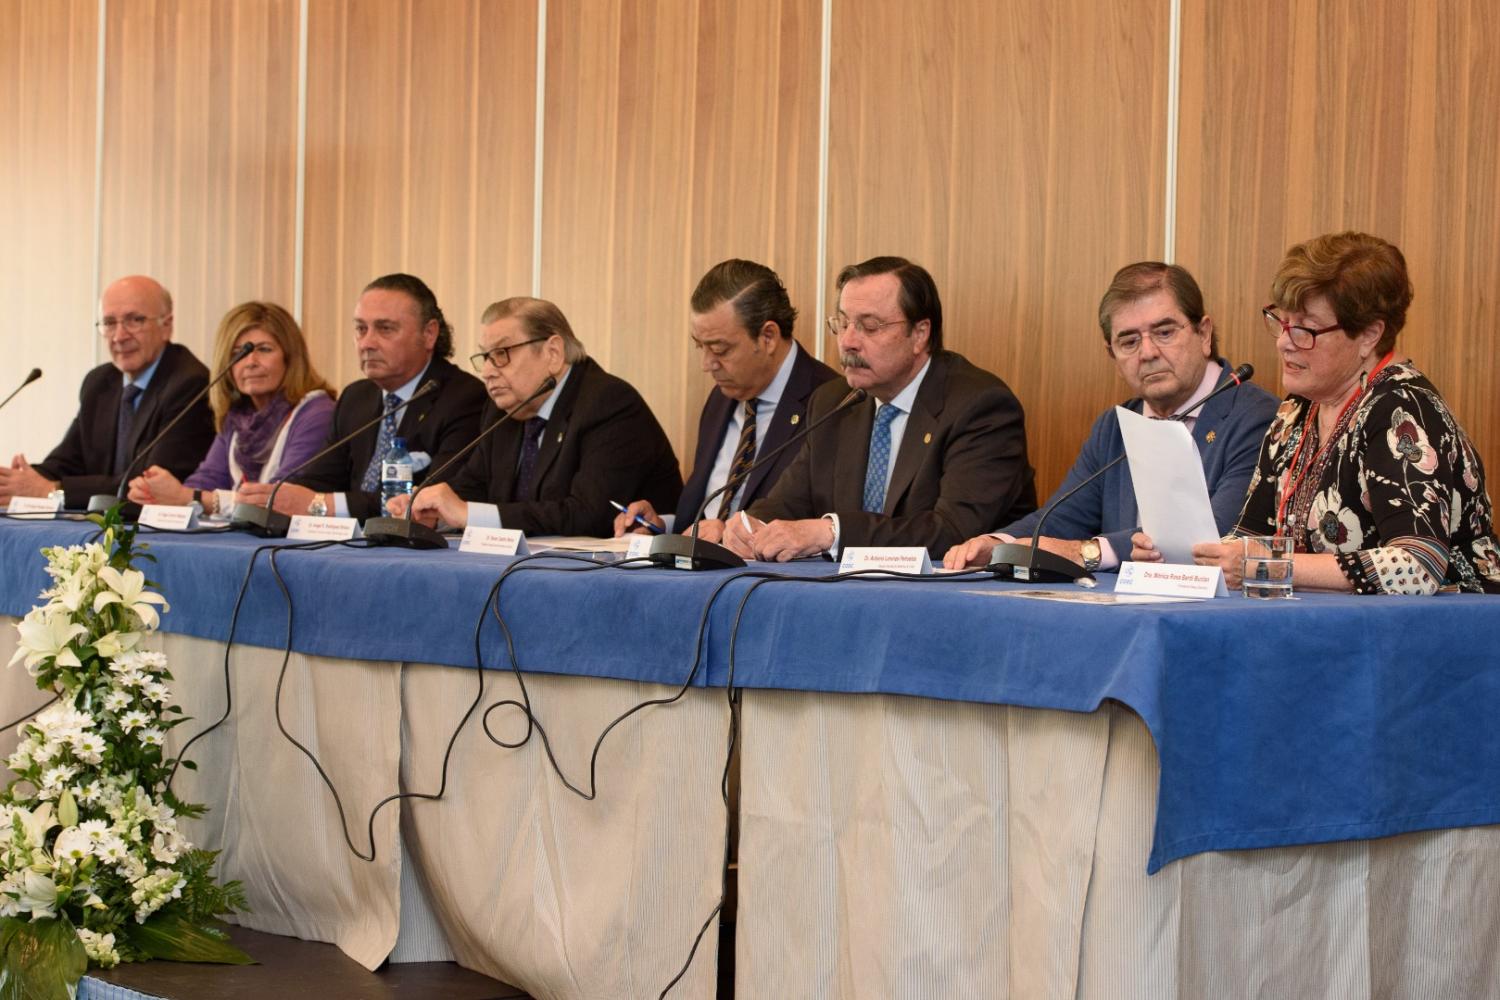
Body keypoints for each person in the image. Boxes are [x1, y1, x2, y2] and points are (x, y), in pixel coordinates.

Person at [1134, 231, 1500, 594]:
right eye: (1282, 322)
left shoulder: (1400, 409)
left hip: (1451, 620)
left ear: (1369, 335)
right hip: (1328, 621)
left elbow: (1417, 567)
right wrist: (1183, 557)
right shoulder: (1296, 410)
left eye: (1305, 330)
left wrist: (1271, 566)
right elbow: (1249, 537)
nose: (1283, 342)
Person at [943, 262, 1279, 571]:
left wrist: (1092, 552)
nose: (1148, 353)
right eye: (1129, 341)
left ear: (1203, 334)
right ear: (1113, 356)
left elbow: (1213, 537)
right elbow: (1060, 519)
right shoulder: (1115, 426)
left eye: (1164, 333)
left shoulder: (1258, 417)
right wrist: (997, 543)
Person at [721, 256, 1036, 561]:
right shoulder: (833, 401)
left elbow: (953, 531)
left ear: (920, 334)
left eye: (869, 326)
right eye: (843, 323)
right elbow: (788, 503)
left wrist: (833, 533)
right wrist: (752, 525)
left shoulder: (980, 407)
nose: (848, 341)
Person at [387, 296, 681, 536]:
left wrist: (466, 513)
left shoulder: (608, 403)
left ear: (553, 353)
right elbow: (473, 488)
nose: (487, 371)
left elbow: (588, 514)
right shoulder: (504, 410)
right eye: (485, 356)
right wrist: (432, 511)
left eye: (501, 353)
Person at [612, 259, 837, 539]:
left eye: (720, 349)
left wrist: (731, 534)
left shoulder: (831, 402)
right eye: (701, 346)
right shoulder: (722, 397)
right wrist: (662, 526)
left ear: (768, 336)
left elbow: (821, 523)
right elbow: (706, 511)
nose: (707, 364)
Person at [237, 273, 487, 520]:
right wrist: (278, 496)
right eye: (360, 329)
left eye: (385, 329)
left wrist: (321, 504)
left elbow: (432, 499)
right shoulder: (355, 397)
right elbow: (320, 478)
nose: (367, 343)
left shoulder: (464, 398)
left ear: (429, 333)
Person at [0, 276, 215, 510]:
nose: (119, 336)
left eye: (135, 320)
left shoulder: (191, 384)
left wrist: (52, 491)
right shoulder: (100, 382)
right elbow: (67, 461)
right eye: (109, 323)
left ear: (166, 325)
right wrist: (17, 482)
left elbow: (146, 486)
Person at [125, 301, 336, 516]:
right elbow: (207, 480)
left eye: (264, 349)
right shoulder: (238, 417)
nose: (251, 362)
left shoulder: (316, 413)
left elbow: (279, 501)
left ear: (290, 358)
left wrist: (187, 498)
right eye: (239, 353)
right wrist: (159, 495)